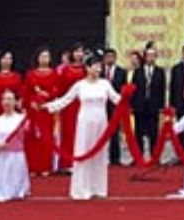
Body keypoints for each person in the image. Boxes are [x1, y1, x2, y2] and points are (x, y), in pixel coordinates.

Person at [46, 53, 123, 200]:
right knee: (83, 151)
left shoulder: (105, 84)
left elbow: (116, 99)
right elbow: (65, 100)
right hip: (85, 122)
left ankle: (98, 188)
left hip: (101, 121)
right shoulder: (80, 85)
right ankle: (82, 189)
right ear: (87, 68)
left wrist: (127, 96)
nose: (98, 69)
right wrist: (47, 107)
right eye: (95, 66)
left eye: (99, 67)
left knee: (100, 154)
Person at [0, 89, 30, 202]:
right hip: (1, 158)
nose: (6, 102)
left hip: (17, 157)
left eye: (9, 99)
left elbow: (32, 134)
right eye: (4, 99)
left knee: (15, 191)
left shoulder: (22, 119)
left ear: (16, 102)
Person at [21, 48, 59, 177]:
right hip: (33, 111)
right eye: (42, 56)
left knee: (46, 138)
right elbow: (26, 92)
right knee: (32, 138)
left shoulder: (54, 74)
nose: (44, 59)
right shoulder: (31, 74)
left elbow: (57, 90)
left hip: (47, 110)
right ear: (37, 58)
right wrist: (30, 103)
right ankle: (32, 166)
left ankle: (45, 166)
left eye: (47, 56)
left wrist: (48, 95)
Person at [56, 44, 86, 173]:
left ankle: (82, 161)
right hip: (68, 106)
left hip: (83, 104)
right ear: (72, 54)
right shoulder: (65, 70)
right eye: (76, 51)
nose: (79, 54)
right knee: (68, 133)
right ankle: (67, 163)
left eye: (81, 51)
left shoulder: (86, 69)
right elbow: (60, 89)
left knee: (82, 133)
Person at [132, 45, 166, 157]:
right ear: (145, 57)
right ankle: (139, 156)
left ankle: (154, 157)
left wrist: (161, 106)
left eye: (153, 55)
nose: (150, 58)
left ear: (155, 57)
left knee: (154, 133)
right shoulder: (138, 71)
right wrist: (133, 105)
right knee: (138, 133)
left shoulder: (160, 72)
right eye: (148, 55)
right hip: (140, 106)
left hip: (153, 106)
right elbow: (134, 89)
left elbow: (162, 90)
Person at [101, 48, 127, 165]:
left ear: (115, 58)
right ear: (104, 58)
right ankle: (100, 157)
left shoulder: (121, 72)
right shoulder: (99, 71)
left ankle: (115, 158)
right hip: (101, 105)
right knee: (100, 132)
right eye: (108, 57)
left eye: (112, 57)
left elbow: (123, 90)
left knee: (114, 133)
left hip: (115, 107)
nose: (110, 59)